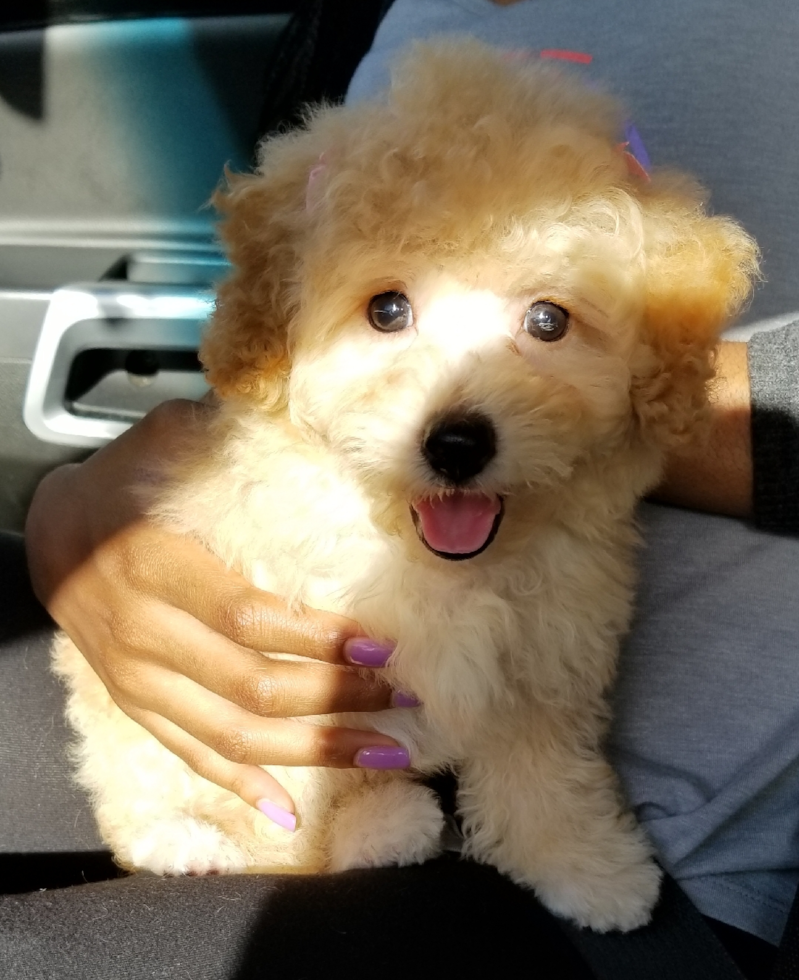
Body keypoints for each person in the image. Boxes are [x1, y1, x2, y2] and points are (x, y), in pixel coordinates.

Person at [5, 1, 799, 976]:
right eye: (394, 307)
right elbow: (289, 324)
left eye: (544, 317)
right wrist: (76, 511)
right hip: (262, 717)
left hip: (671, 872)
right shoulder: (375, 12)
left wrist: (629, 391)